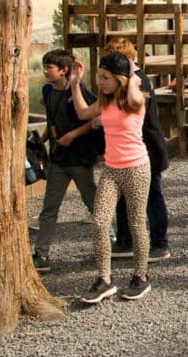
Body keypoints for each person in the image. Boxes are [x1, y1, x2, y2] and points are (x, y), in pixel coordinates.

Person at [69, 52, 152, 304]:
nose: (101, 83)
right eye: (99, 77)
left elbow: (132, 93)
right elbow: (83, 113)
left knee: (136, 223)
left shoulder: (134, 99)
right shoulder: (104, 102)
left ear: (119, 78)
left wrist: (131, 76)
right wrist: (75, 83)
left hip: (136, 169)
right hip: (111, 170)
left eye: (105, 77)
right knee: (99, 222)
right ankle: (105, 280)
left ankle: (140, 276)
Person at [103, 38, 172, 263]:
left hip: (146, 148)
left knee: (153, 196)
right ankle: (125, 241)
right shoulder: (125, 81)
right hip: (127, 150)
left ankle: (160, 244)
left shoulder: (137, 81)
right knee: (125, 197)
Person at [34, 49, 101, 273]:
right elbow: (51, 117)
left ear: (63, 70)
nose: (45, 71)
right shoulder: (47, 91)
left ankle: (107, 242)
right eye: (44, 66)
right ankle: (41, 253)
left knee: (92, 202)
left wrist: (72, 135)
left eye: (49, 68)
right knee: (49, 208)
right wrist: (41, 140)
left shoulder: (80, 92)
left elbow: (94, 119)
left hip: (79, 158)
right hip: (58, 159)